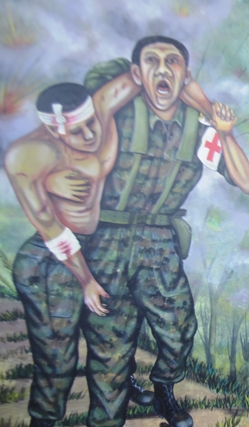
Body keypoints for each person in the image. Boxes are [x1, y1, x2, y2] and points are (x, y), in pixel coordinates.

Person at [49, 36, 249, 427]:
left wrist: (223, 128)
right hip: (107, 240)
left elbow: (245, 182)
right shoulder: (115, 115)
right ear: (136, 73)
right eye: (152, 61)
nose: (163, 69)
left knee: (179, 327)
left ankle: (163, 388)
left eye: (173, 61)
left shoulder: (196, 130)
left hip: (159, 242)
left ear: (186, 74)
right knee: (110, 343)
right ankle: (109, 412)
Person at [5, 81, 157, 427]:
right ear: (54, 129)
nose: (91, 134)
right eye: (78, 130)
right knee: (57, 357)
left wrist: (211, 112)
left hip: (100, 246)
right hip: (51, 259)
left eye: (92, 123)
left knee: (114, 348)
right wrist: (86, 279)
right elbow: (51, 229)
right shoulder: (29, 156)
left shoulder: (97, 109)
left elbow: (138, 75)